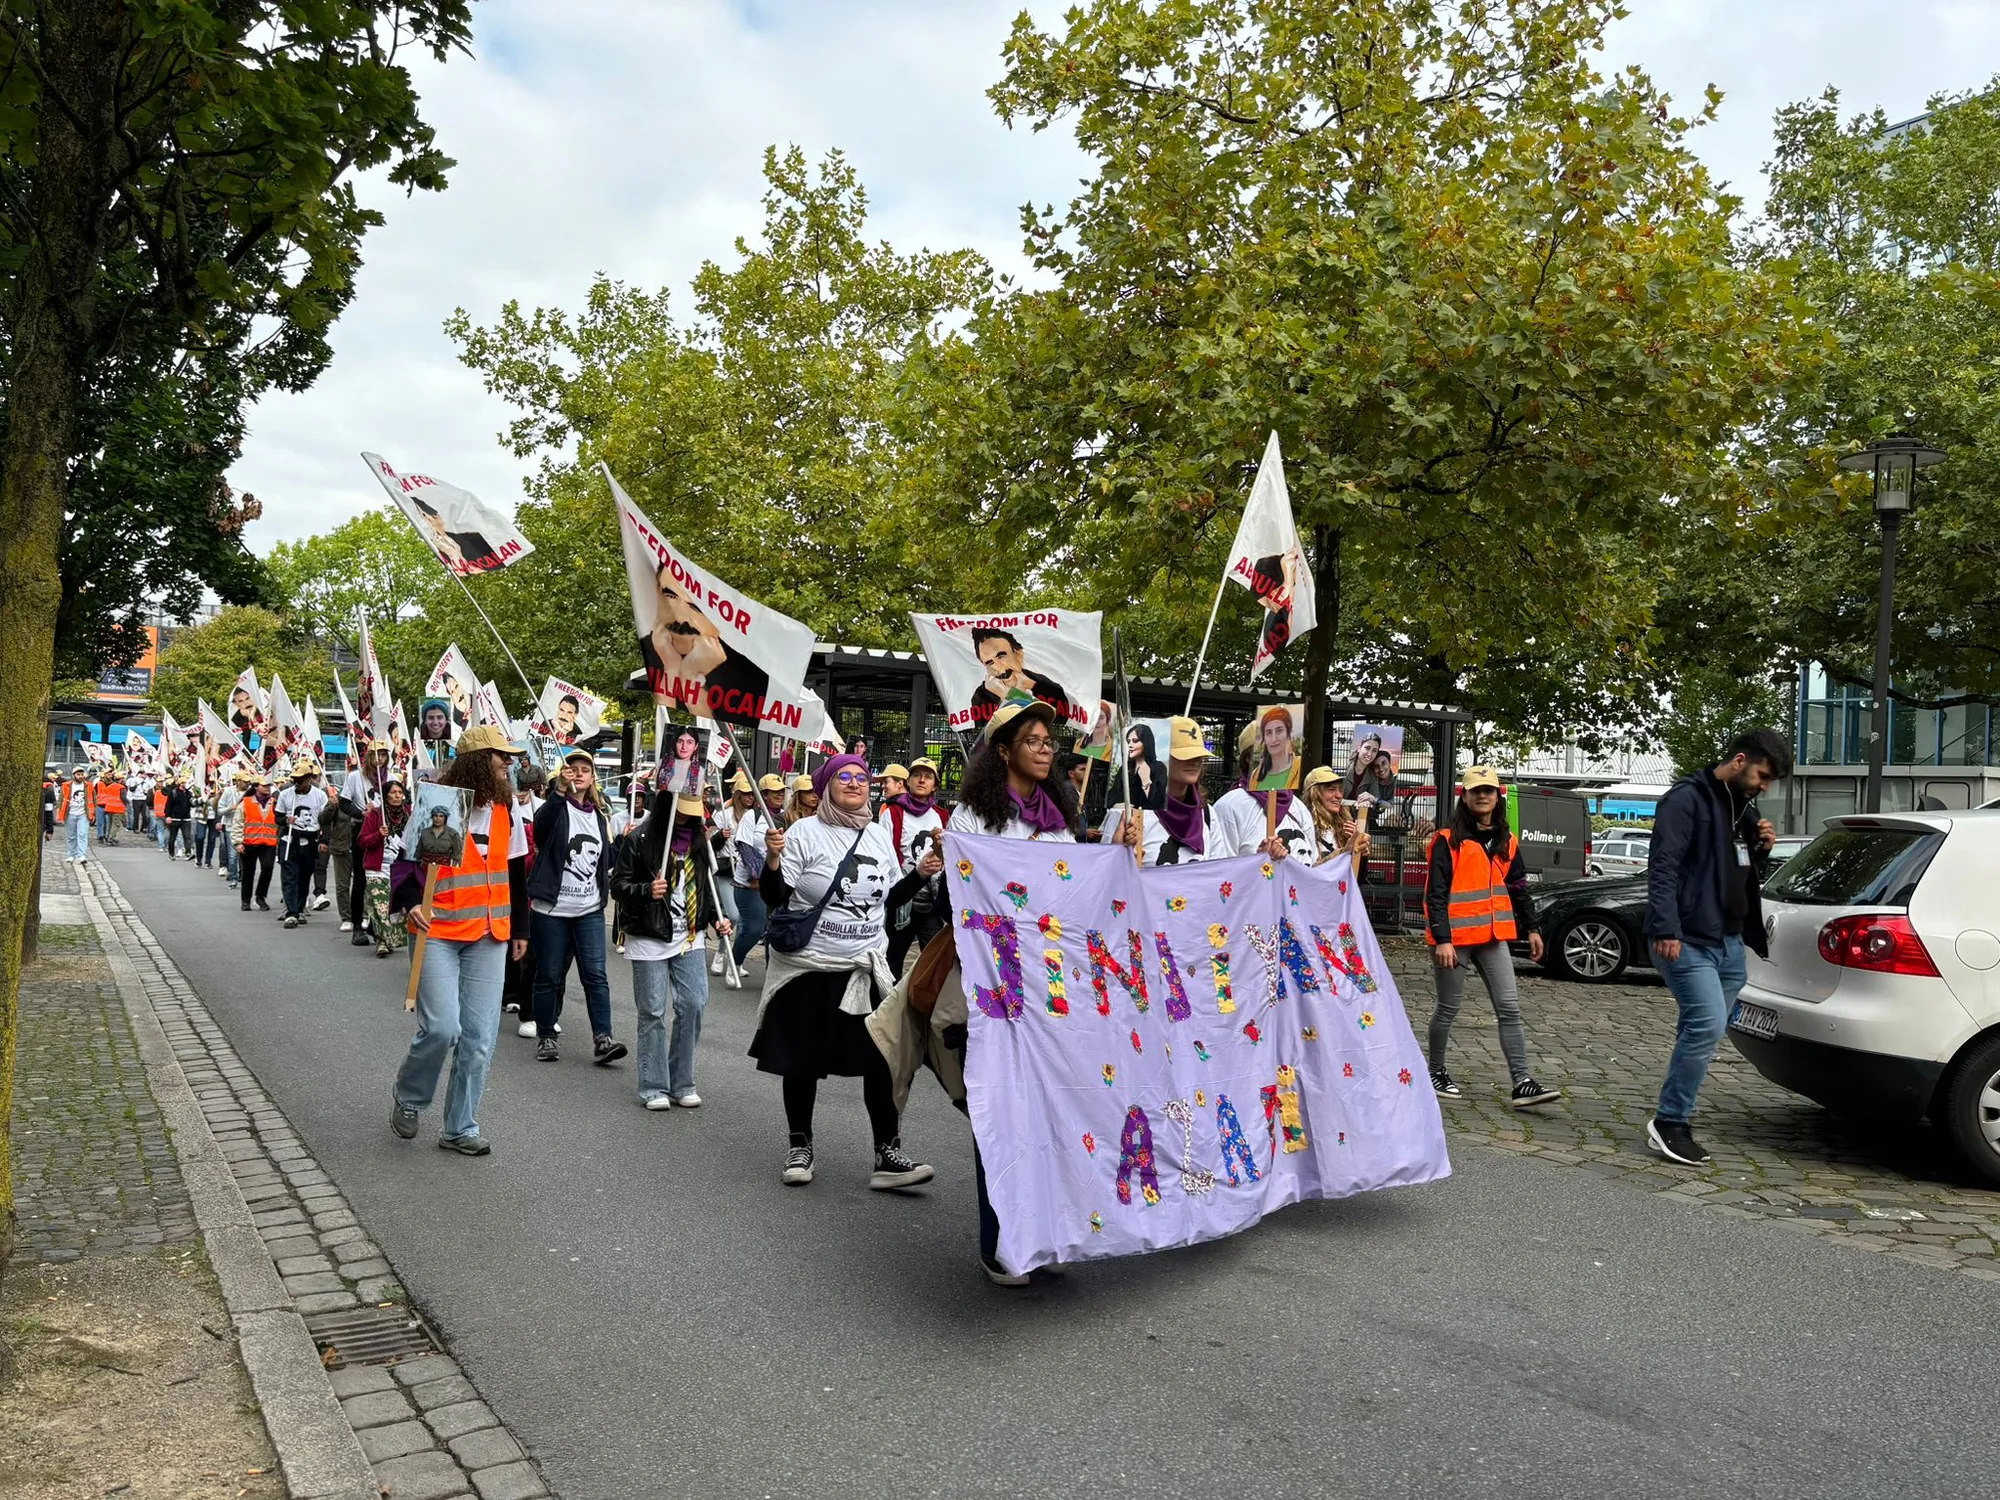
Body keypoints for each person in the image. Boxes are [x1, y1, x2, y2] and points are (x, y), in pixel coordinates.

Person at [939, 700, 1079, 1284]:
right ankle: (999, 1241)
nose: (1046, 749)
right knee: (1003, 1109)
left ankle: (1051, 1238)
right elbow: (968, 899)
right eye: (1033, 740)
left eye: (1050, 740)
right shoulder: (972, 819)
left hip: (1057, 986)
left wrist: (1116, 855)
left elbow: (1077, 897)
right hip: (996, 989)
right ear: (1003, 751)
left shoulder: (1062, 817)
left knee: (1058, 1110)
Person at [750, 753, 936, 1192]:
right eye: (843, 777)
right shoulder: (803, 832)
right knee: (803, 1060)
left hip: (864, 967)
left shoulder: (875, 835)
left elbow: (889, 898)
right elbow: (776, 897)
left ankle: (887, 1153)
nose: (854, 783)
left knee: (881, 1061)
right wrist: (773, 861)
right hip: (811, 968)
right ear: (827, 785)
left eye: (860, 778)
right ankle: (800, 1145)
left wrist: (920, 875)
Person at [1644, 729, 1789, 1166]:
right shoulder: (1685, 799)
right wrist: (1666, 928)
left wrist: (1760, 848)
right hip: (1686, 939)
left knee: (1703, 1027)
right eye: (1762, 776)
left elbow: (1735, 868)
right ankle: (1670, 1122)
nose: (1765, 786)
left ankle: (1676, 1105)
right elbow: (1663, 866)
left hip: (1728, 942)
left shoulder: (1741, 807)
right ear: (1740, 760)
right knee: (1706, 1025)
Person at [391, 725, 530, 1155]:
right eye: (500, 756)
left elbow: (516, 872)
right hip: (438, 931)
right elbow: (405, 863)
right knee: (442, 1029)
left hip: (491, 934)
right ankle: (410, 1098)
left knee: (479, 1037)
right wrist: (412, 900)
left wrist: (521, 928)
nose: (509, 763)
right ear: (476, 762)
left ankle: (459, 1127)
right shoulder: (439, 803)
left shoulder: (508, 810)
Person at [1422, 766, 1558, 1108]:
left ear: (1498, 796)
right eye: (1475, 791)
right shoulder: (1446, 840)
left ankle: (1522, 1081)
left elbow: (1518, 887)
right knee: (1448, 1008)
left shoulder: (1507, 840)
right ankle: (1434, 1071)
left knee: (1509, 1007)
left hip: (1493, 936)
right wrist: (1442, 939)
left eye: (1489, 790)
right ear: (1464, 797)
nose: (1482, 796)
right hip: (1454, 940)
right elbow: (1435, 894)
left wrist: (1532, 928)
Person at [613, 778, 731, 1109]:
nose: (686, 817)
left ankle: (682, 1081)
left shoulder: (700, 841)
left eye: (692, 811)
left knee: (693, 1004)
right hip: (649, 936)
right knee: (652, 1011)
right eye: (681, 810)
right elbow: (618, 885)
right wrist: (645, 891)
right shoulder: (640, 838)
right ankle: (654, 1086)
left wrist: (715, 920)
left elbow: (705, 890)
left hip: (689, 937)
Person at [526, 747, 625, 1065]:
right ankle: (546, 1036)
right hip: (552, 909)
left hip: (589, 909)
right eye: (573, 768)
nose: (579, 773)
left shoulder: (599, 815)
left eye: (585, 769)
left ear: (593, 777)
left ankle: (603, 1038)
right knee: (550, 974)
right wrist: (558, 792)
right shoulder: (555, 807)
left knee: (596, 975)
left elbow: (604, 859)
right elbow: (540, 832)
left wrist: (624, 842)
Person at [1105, 716, 1213, 865]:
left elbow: (1217, 875)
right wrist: (1118, 853)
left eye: (1198, 755)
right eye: (1184, 755)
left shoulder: (1207, 815)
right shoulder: (1125, 813)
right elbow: (1104, 874)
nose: (1195, 761)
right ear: (1164, 757)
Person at [881, 757, 946, 974]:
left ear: (935, 785)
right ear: (907, 781)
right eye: (916, 775)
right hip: (902, 901)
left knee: (935, 962)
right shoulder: (892, 813)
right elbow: (885, 854)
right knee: (892, 961)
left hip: (932, 902)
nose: (921, 780)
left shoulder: (942, 816)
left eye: (928, 777)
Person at [1210, 724, 1313, 860]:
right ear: (1248, 757)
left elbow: (1313, 866)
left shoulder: (1298, 807)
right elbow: (1221, 869)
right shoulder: (1229, 807)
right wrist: (1259, 862)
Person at [340, 742, 394, 946]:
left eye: (383, 755)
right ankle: (356, 925)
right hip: (362, 829)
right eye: (375, 754)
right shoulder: (356, 777)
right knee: (362, 879)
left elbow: (401, 801)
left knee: (383, 879)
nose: (379, 759)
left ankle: (377, 923)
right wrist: (361, 813)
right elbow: (344, 803)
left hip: (387, 833)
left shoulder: (393, 777)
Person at [357, 779, 416, 958]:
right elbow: (362, 841)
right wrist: (377, 835)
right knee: (380, 906)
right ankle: (382, 942)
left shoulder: (409, 814)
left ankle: (389, 939)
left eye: (400, 792)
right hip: (377, 868)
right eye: (393, 792)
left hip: (399, 869)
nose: (397, 796)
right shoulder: (375, 815)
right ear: (385, 795)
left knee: (396, 909)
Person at [730, 774, 784, 969]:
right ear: (764, 794)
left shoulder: (785, 816)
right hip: (750, 883)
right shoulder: (752, 816)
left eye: (781, 791)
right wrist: (759, 875)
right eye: (773, 792)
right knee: (754, 928)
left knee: (771, 929)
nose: (779, 795)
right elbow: (744, 847)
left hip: (776, 882)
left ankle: (772, 970)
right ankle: (735, 961)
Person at [966, 627, 1072, 725]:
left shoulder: (1050, 688)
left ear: (1019, 654)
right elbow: (982, 737)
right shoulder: (981, 696)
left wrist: (1007, 694)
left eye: (1001, 656)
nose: (998, 667)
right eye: (989, 662)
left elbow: (1054, 725)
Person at [274, 760, 328, 929]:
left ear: (309, 779)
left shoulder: (320, 796)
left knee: (304, 876)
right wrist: (285, 820)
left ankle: (299, 907)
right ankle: (291, 913)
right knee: (289, 876)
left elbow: (325, 820)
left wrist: (325, 840)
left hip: (310, 840)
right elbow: (278, 817)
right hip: (289, 839)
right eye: (294, 779)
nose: (296, 783)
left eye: (300, 780)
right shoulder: (285, 795)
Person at [1303, 765, 1371, 871]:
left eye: (1340, 790)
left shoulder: (1345, 826)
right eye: (1331, 789)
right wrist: (1344, 852)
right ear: (1315, 794)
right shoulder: (1304, 826)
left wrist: (1359, 853)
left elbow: (1357, 878)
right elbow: (1306, 872)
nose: (1338, 795)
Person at [237, 775, 278, 912]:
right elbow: (238, 823)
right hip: (249, 843)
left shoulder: (275, 802)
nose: (267, 788)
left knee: (268, 868)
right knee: (248, 872)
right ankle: (245, 900)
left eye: (268, 786)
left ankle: (260, 896)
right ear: (256, 787)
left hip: (268, 843)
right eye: (264, 785)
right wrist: (237, 842)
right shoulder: (246, 802)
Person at [1250, 707, 1299, 791]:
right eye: (1268, 732)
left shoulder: (1300, 767)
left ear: (1289, 733)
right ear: (1264, 738)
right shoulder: (1255, 774)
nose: (1274, 739)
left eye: (1279, 731)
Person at [1123, 723, 1168, 811]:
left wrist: (1146, 780)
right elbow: (1111, 799)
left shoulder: (1159, 768)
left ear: (1146, 742)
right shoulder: (1124, 769)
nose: (1130, 745)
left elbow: (1159, 802)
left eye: (1135, 740)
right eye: (1129, 741)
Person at [63, 767, 93, 862]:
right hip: (70, 813)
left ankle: (81, 855)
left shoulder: (89, 785)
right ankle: (71, 855)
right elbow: (61, 799)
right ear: (74, 775)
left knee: (82, 834)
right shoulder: (66, 785)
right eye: (78, 775)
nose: (80, 776)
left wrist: (93, 813)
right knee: (71, 835)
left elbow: (94, 798)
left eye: (81, 774)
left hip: (84, 813)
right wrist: (60, 812)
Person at [162, 776, 194, 859]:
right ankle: (171, 854)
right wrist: (167, 816)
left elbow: (191, 804)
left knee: (187, 837)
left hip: (186, 818)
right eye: (184, 783)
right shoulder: (173, 793)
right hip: (174, 818)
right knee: (173, 837)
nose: (186, 785)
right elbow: (168, 805)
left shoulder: (189, 793)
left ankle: (188, 853)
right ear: (180, 784)